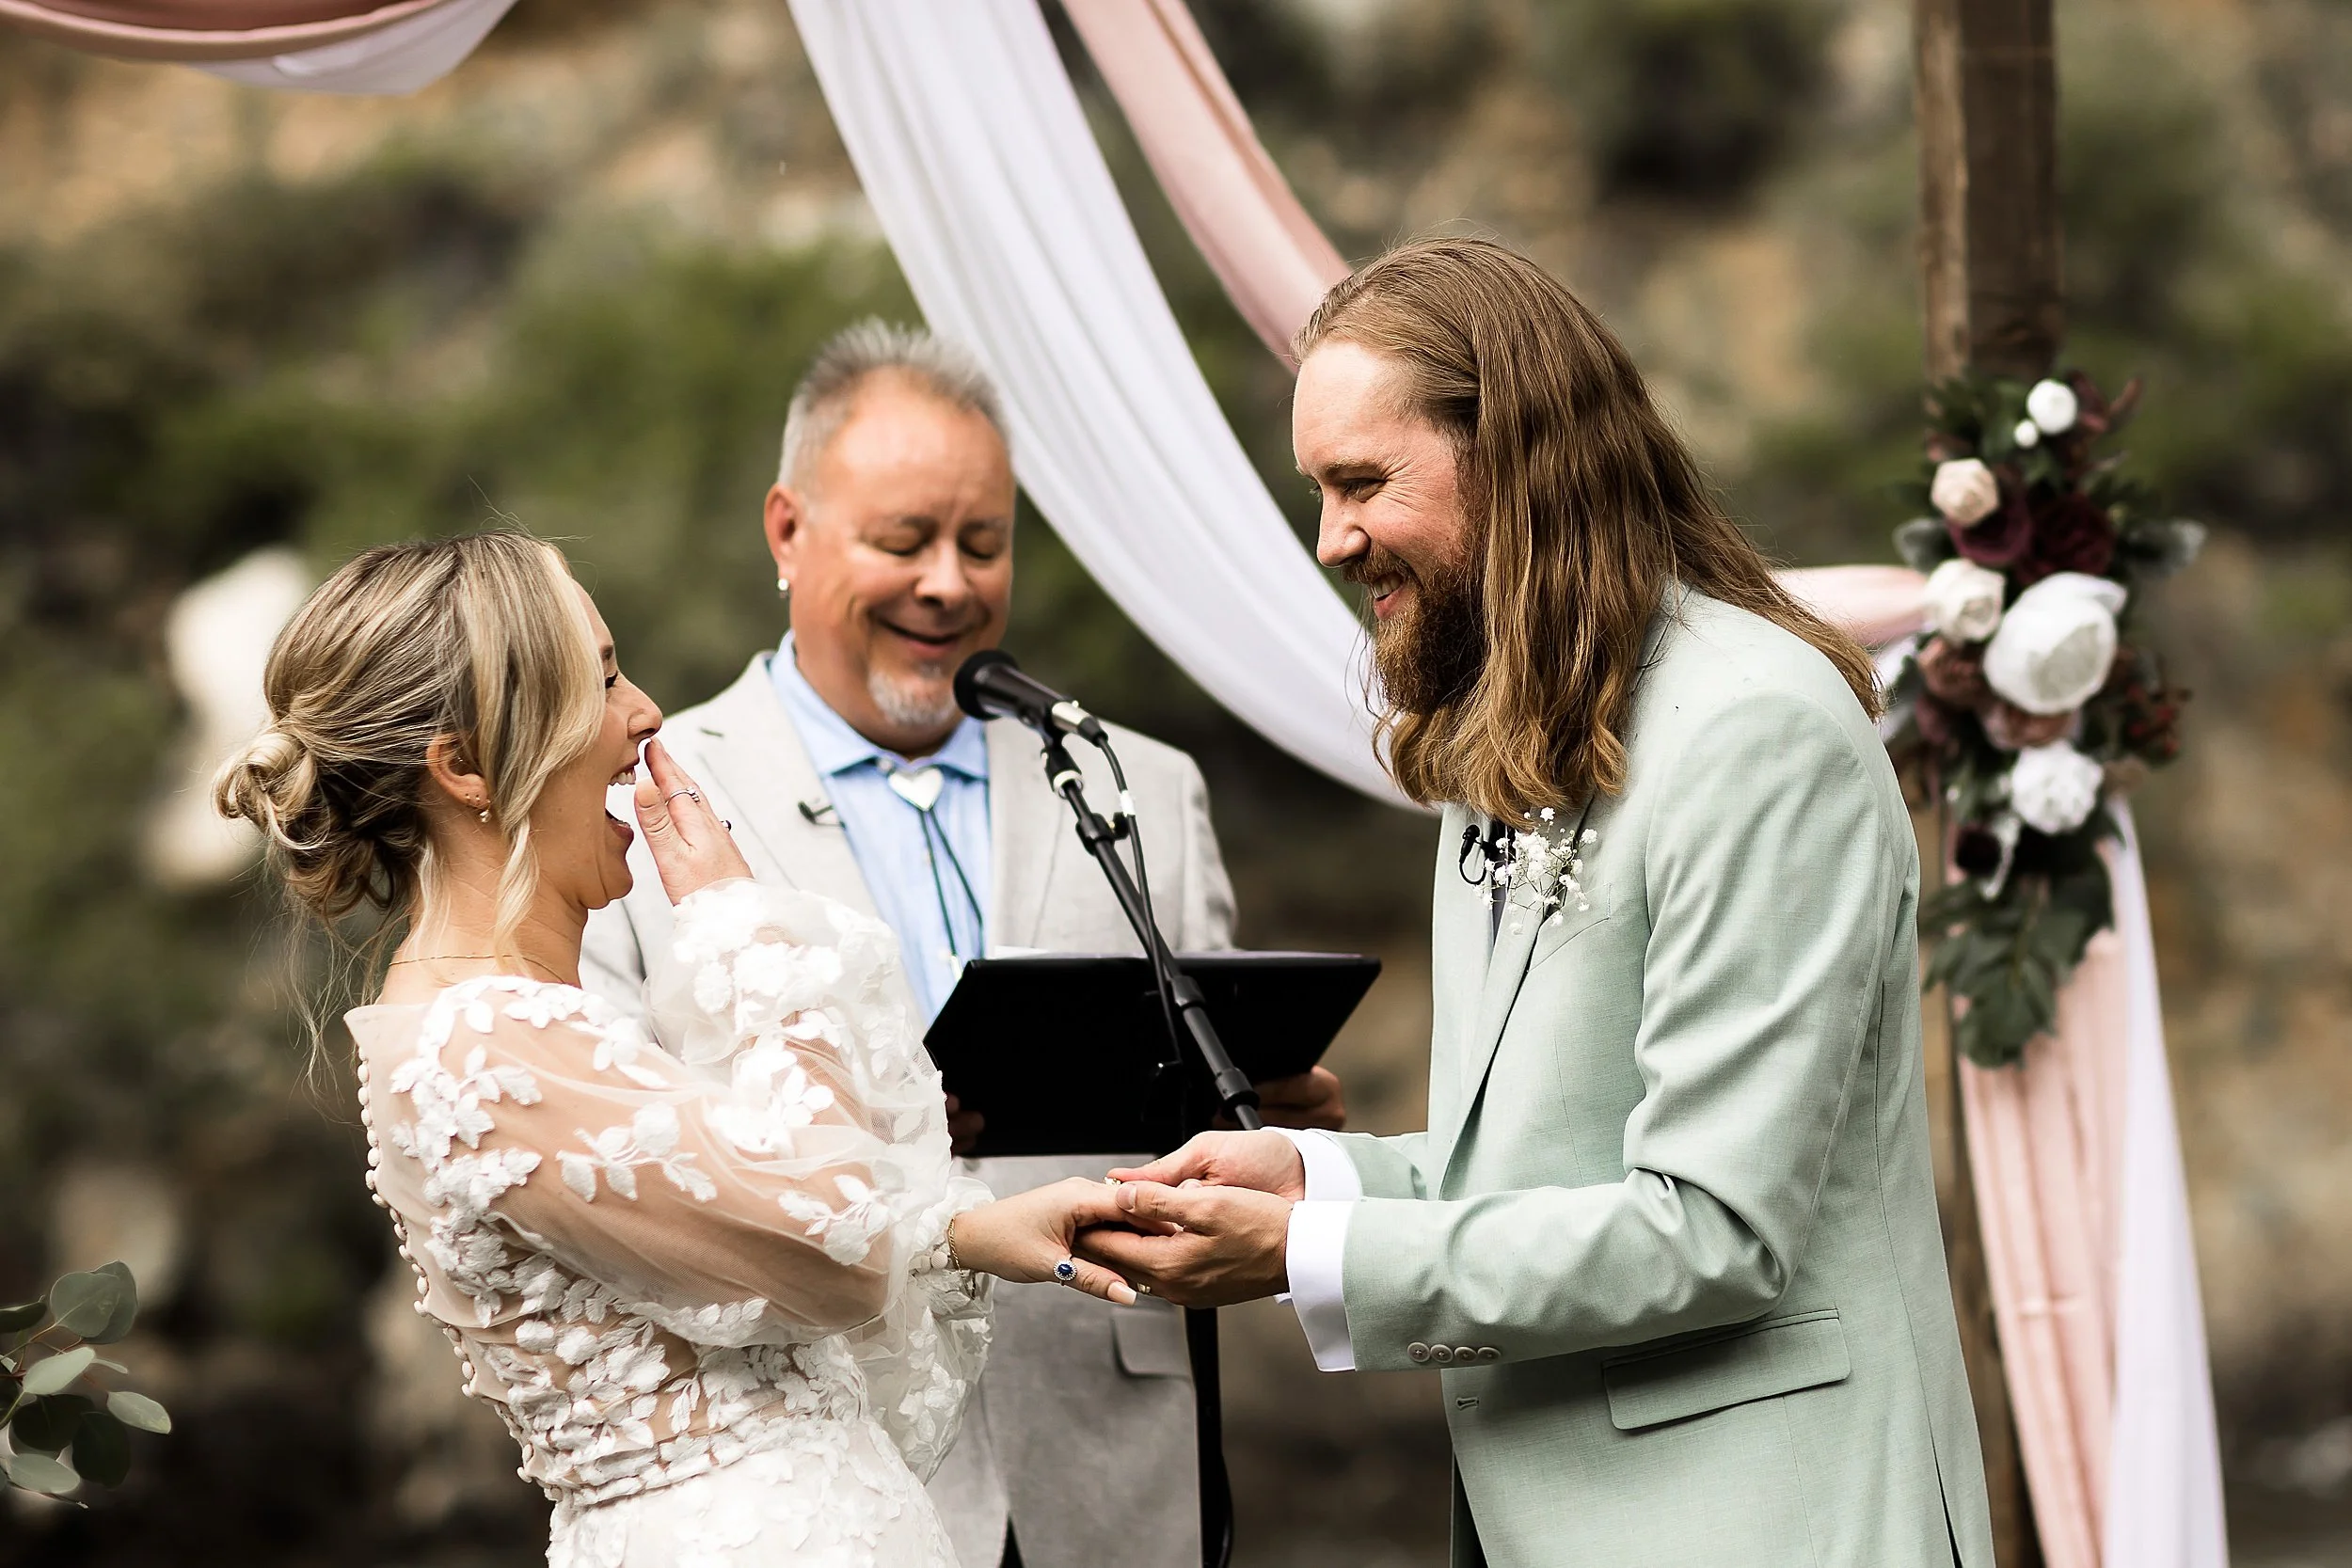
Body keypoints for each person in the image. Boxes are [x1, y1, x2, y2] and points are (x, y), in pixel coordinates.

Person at [1079, 239, 2000, 1568]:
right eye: (1319, 490)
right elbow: (1532, 1164)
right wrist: (1317, 1171)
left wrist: (1313, 1249)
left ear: (1513, 457)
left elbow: (1712, 1225)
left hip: (1774, 1518)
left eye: (1360, 481)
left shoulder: (1757, 730)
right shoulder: (1497, 733)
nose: (1331, 538)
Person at [215, 531, 1143, 1568]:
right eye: (603, 678)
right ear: (466, 766)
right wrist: (739, 927)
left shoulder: (506, 1021)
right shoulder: (481, 1044)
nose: (645, 711)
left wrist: (959, 1230)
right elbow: (831, 1245)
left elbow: (724, 1226)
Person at [580, 321, 1343, 1568]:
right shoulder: (650, 798)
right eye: (903, 540)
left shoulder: (1138, 780)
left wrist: (1258, 1117)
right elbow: (615, 1154)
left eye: (983, 543)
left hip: (1119, 1466)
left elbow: (1208, 1114)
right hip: (829, 1467)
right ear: (788, 529)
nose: (949, 582)